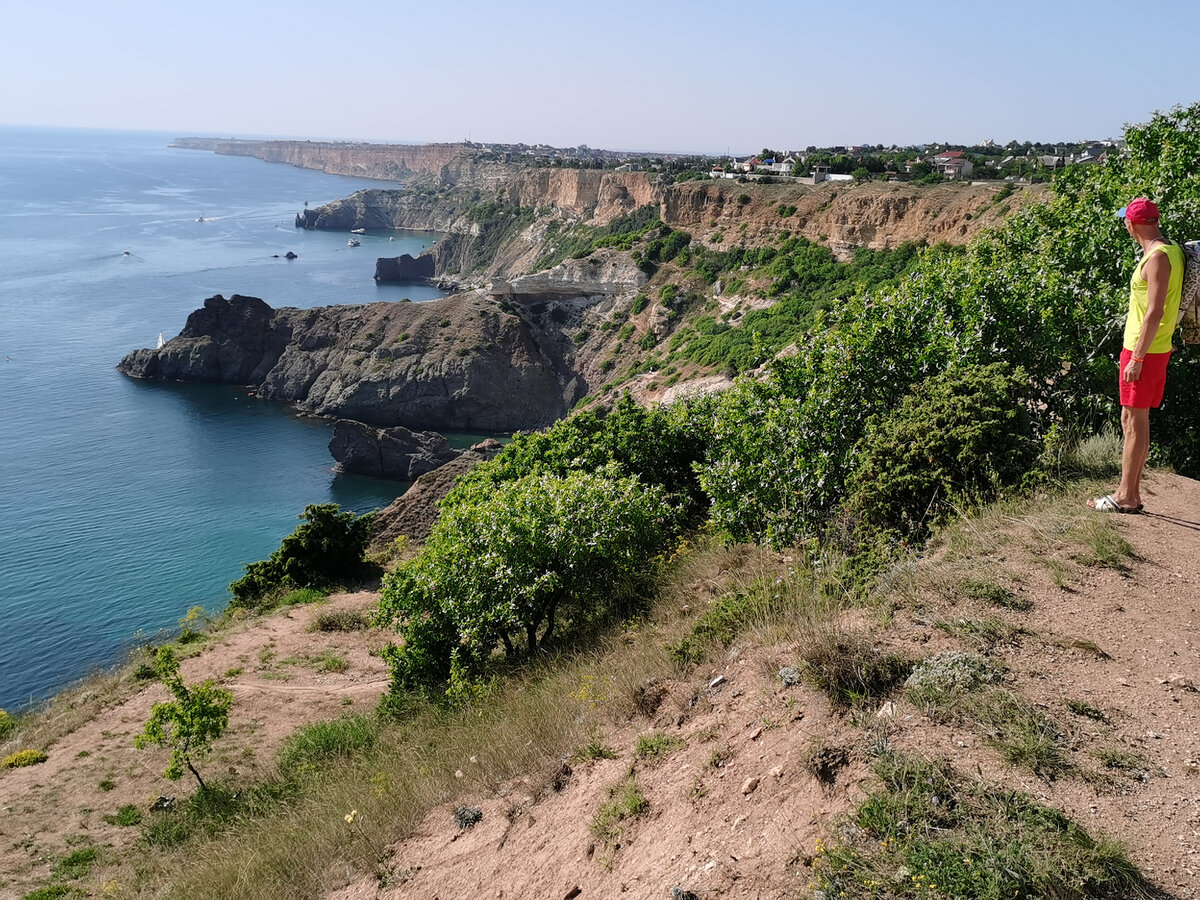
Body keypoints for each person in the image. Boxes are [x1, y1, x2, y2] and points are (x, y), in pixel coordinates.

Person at [1090, 197, 1183, 513]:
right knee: (1132, 417)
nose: (1125, 226)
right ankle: (1127, 490)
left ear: (1133, 224)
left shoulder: (1157, 258)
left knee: (1134, 420)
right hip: (1152, 348)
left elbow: (1155, 311)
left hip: (1145, 350)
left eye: (1125, 221)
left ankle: (1128, 497)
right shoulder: (1170, 250)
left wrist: (1137, 358)